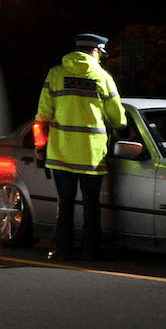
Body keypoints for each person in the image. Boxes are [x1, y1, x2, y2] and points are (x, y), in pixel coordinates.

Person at [34, 33, 127, 261]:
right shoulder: (102, 77)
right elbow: (119, 119)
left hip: (61, 153)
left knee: (64, 204)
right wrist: (122, 128)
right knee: (91, 205)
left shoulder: (56, 74)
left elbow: (42, 115)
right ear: (95, 51)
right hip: (91, 155)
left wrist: (40, 147)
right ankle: (91, 251)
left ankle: (61, 250)